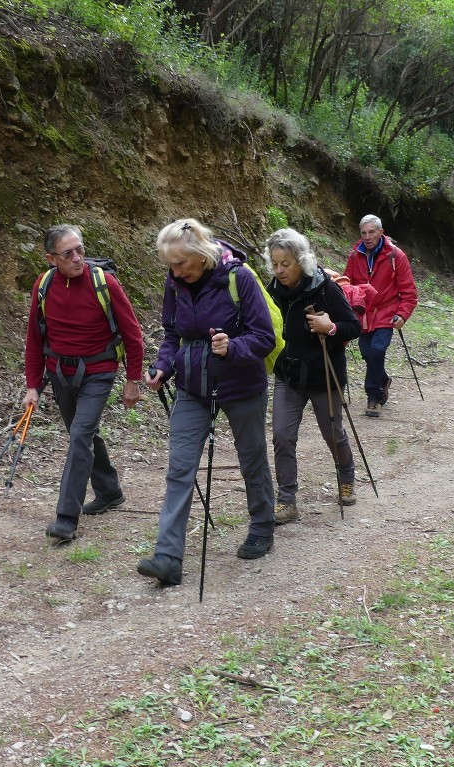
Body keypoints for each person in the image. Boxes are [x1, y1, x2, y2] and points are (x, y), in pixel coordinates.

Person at [139, 219, 277, 586]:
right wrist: (162, 367)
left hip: (241, 384)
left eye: (182, 263)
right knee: (180, 468)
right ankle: (168, 557)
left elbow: (263, 337)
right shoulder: (175, 282)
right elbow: (172, 333)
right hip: (192, 387)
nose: (176, 271)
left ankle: (263, 525)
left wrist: (233, 347)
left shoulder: (239, 278)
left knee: (251, 459)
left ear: (201, 255)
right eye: (170, 264)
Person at [23, 224, 144, 542]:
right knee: (84, 435)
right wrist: (32, 385)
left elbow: (133, 335)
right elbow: (35, 338)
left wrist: (133, 380)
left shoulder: (105, 283)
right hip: (59, 373)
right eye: (68, 253)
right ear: (51, 258)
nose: (78, 258)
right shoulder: (44, 285)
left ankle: (66, 518)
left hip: (99, 372)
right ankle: (109, 491)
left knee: (79, 435)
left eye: (80, 250)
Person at [264, 228, 362, 525]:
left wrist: (330, 327)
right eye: (275, 263)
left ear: (300, 261)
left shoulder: (324, 289)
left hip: (324, 375)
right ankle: (287, 499)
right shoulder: (272, 291)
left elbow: (353, 326)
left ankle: (346, 476)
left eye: (286, 264)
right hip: (289, 374)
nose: (280, 270)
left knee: (333, 434)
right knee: (282, 435)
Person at [344, 215, 418, 417]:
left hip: (387, 313)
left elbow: (409, 292)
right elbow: (346, 285)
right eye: (363, 232)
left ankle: (373, 397)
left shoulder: (396, 256)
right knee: (367, 353)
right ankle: (383, 380)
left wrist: (402, 315)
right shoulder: (354, 256)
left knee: (376, 351)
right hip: (364, 314)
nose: (367, 237)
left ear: (381, 232)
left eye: (371, 232)